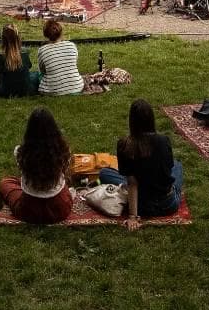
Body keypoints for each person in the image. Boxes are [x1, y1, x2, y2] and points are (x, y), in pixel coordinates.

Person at [98, 99, 185, 229]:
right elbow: (167, 169)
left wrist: (133, 216)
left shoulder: (124, 144)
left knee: (104, 173)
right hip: (168, 204)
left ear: (131, 121)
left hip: (142, 206)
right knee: (177, 166)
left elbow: (132, 183)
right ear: (151, 119)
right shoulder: (163, 140)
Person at [0, 106, 73, 223]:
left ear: (29, 131)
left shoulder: (20, 152)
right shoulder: (63, 151)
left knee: (6, 182)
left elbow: (23, 173)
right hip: (60, 209)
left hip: (29, 211)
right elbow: (64, 171)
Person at [35, 20, 83, 96]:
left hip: (51, 90)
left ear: (45, 34)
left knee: (36, 76)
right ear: (61, 32)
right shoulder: (71, 45)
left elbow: (42, 70)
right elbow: (74, 63)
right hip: (77, 86)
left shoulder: (42, 50)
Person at [0, 24, 37, 98]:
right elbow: (29, 66)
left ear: (3, 39)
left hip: (4, 92)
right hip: (26, 90)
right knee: (35, 75)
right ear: (18, 38)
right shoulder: (25, 53)